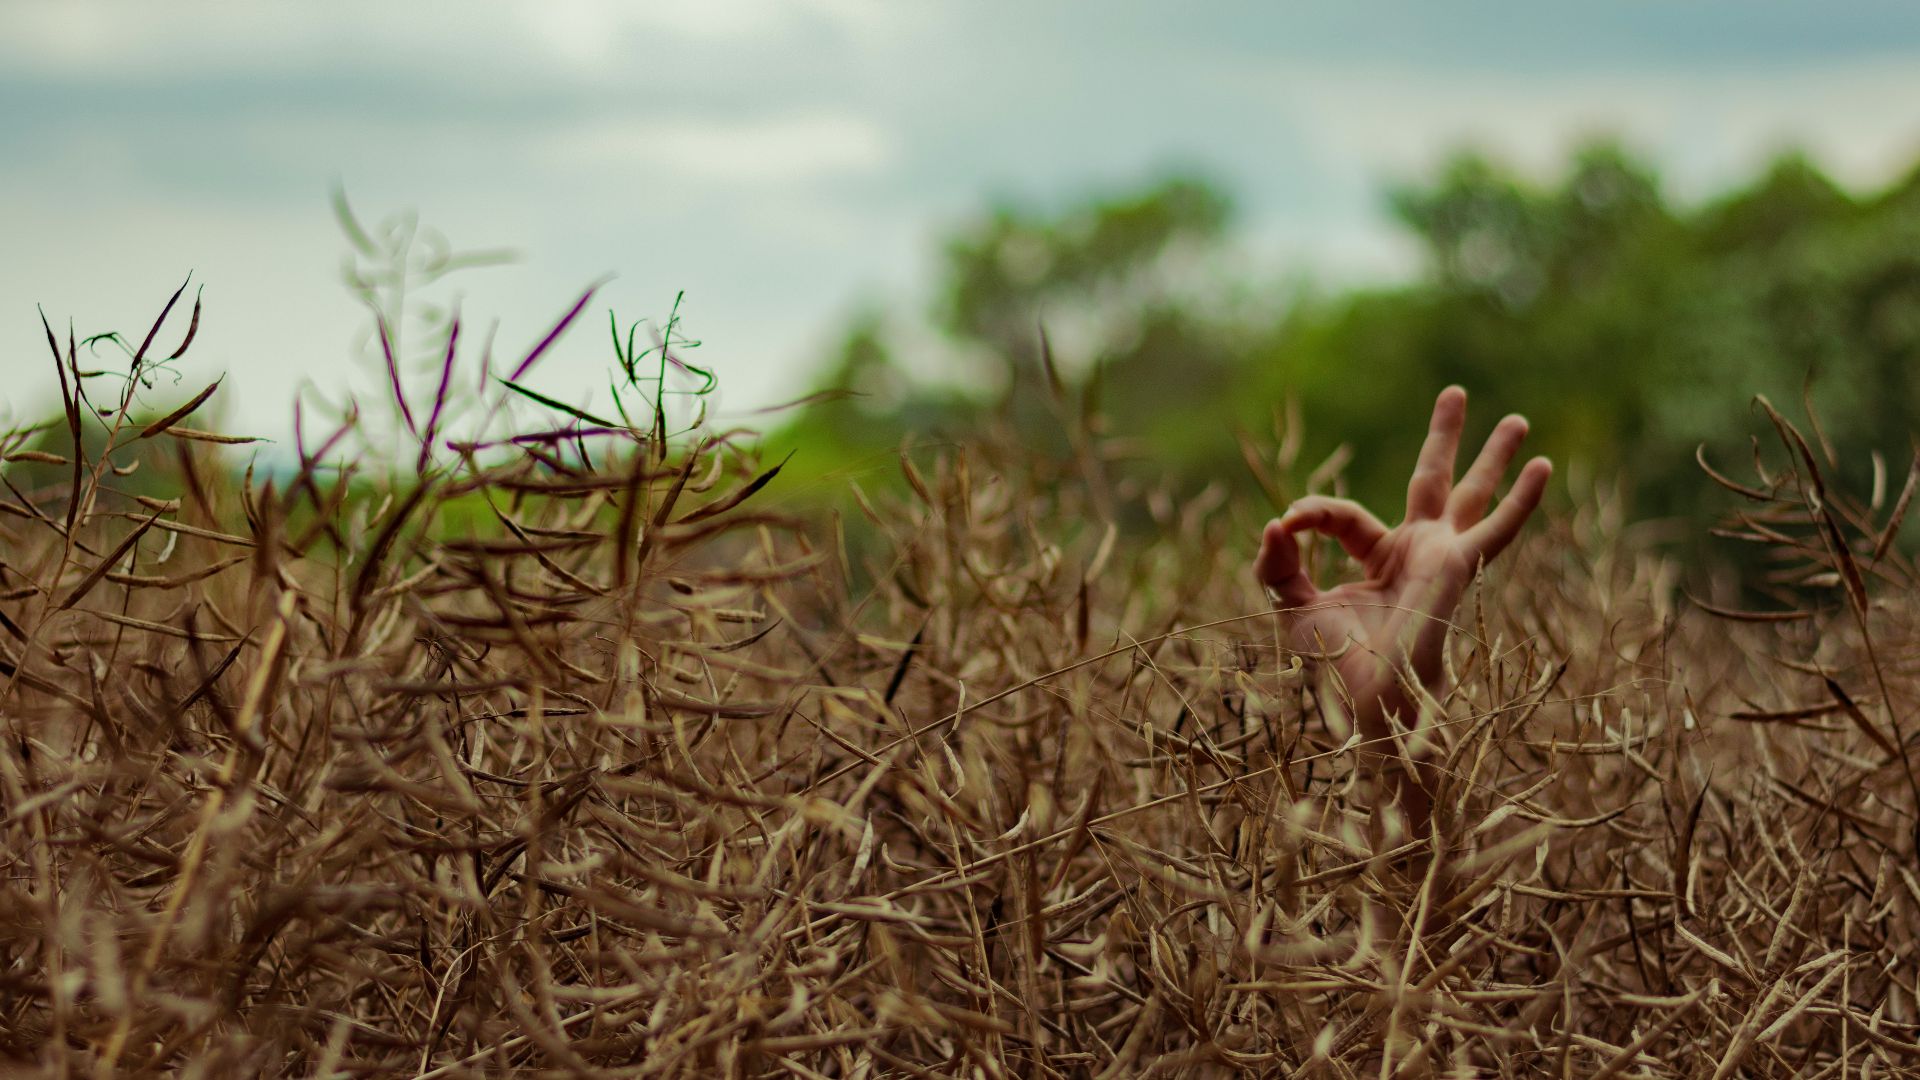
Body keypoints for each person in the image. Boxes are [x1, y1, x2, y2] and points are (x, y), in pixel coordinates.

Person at [1253, 386, 1551, 833]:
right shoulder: (1262, 739)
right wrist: (1382, 715)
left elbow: (1420, 889)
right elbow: (1413, 891)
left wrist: (1393, 720)